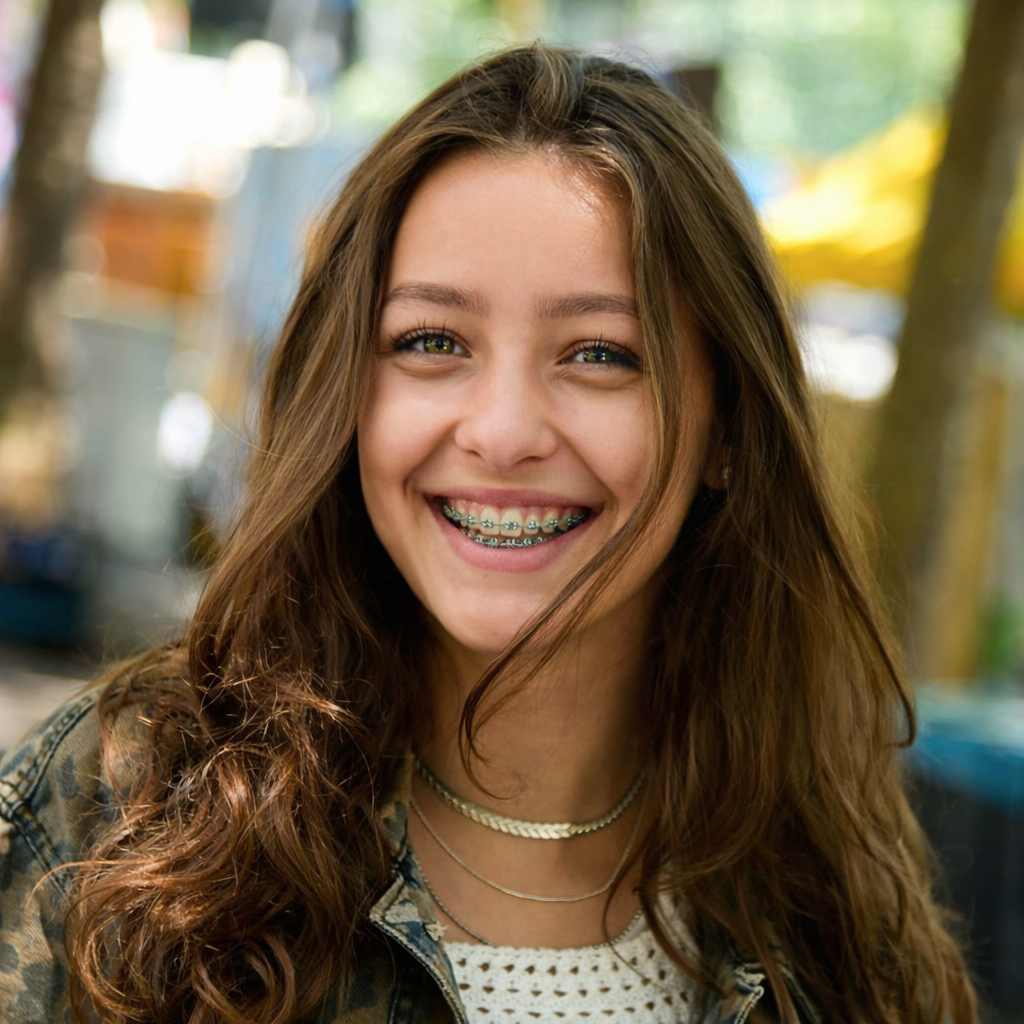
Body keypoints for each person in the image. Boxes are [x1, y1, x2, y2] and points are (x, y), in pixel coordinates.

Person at [0, 44, 977, 1024]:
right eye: (432, 342)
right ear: (349, 390)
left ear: (725, 427)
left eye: (600, 353)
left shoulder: (833, 903)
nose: (503, 431)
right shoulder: (116, 814)